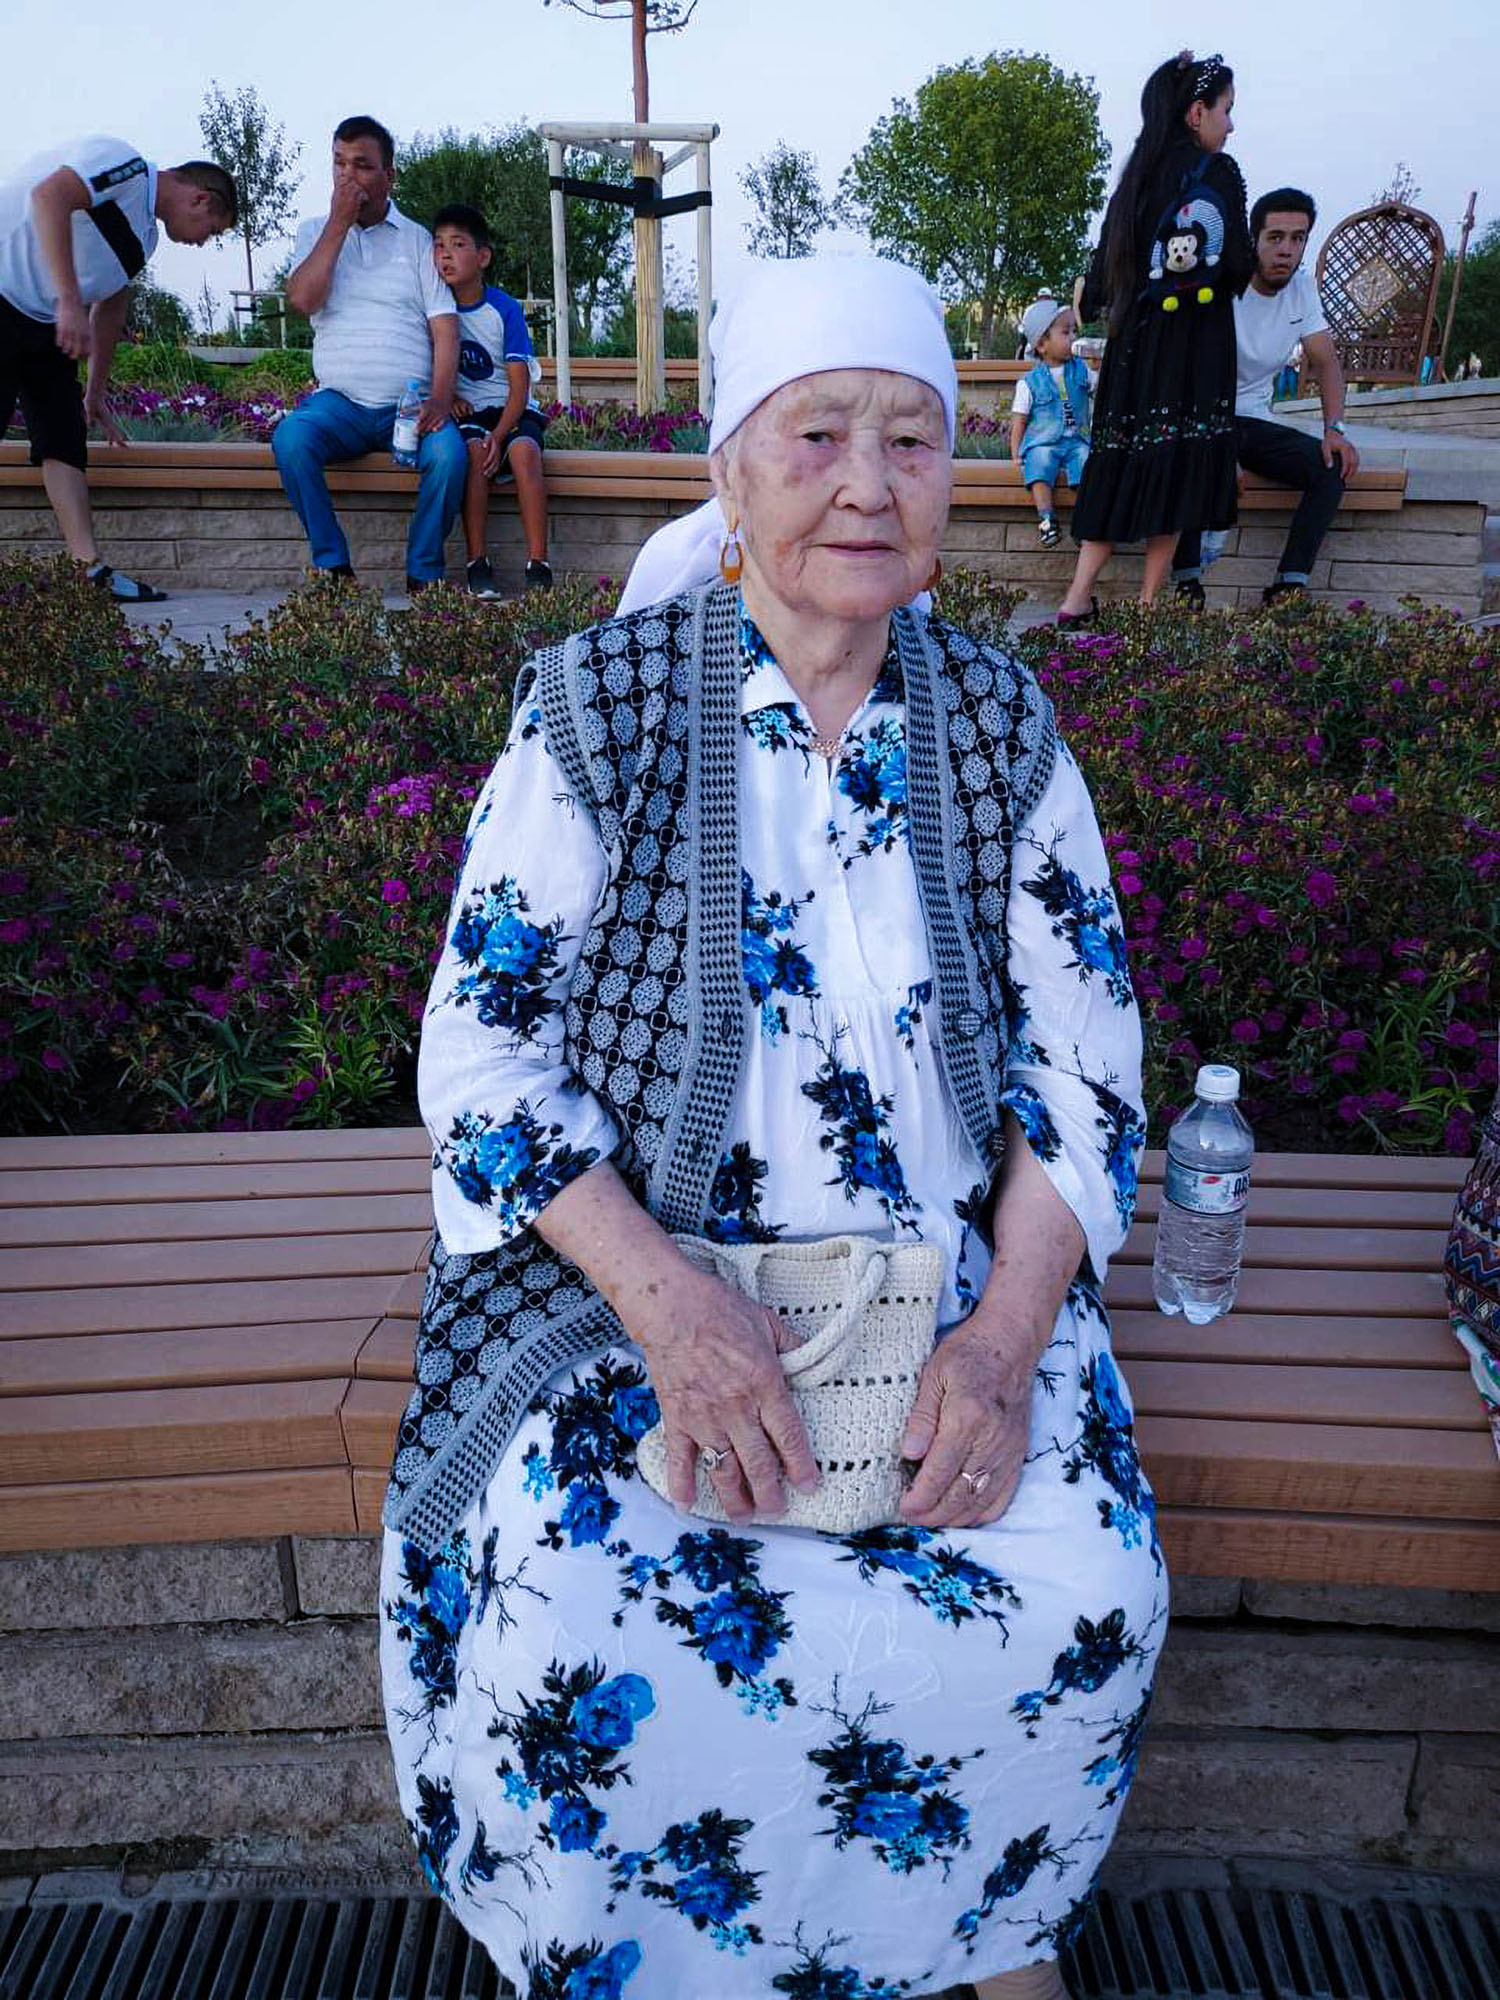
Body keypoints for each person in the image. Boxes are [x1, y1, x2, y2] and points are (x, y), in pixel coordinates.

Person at [379, 254, 1165, 2000]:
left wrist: (1005, 1340)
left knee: (1081, 1587)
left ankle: (979, 1934)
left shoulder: (1002, 723)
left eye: (911, 440)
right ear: (730, 473)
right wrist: (675, 1313)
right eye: (818, 436)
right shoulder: (598, 707)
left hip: (947, 1301)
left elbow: (1091, 1068)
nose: (867, 485)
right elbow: (481, 1054)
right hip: (637, 1293)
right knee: (582, 1617)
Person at [1056, 52, 1252, 625]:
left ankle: (1076, 599)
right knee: (1178, 464)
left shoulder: (1135, 180)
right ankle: (1145, 608)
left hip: (1133, 352)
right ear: (1196, 112)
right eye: (1226, 110)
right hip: (1194, 352)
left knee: (1118, 462)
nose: (1231, 124)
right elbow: (1236, 265)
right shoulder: (1217, 173)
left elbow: (1096, 286)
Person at [0, 138, 236, 602]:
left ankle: (87, 570)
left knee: (64, 437)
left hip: (43, 318)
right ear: (199, 199)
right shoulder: (124, 166)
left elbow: (110, 308)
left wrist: (94, 393)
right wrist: (70, 301)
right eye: (211, 230)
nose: (203, 242)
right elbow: (49, 196)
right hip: (6, 295)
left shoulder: (145, 237)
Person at [273, 116, 465, 593]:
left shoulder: (417, 240)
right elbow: (303, 300)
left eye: (361, 165)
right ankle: (334, 568)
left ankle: (423, 575)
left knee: (449, 456)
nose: (347, 176)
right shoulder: (314, 233)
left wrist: (440, 399)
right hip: (339, 403)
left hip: (409, 405)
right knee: (291, 439)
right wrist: (338, 224)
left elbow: (445, 328)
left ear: (388, 175)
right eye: (339, 163)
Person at [1171, 188, 1361, 606]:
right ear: (1254, 239)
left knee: (1331, 467)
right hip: (1200, 416)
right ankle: (1186, 585)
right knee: (1199, 462)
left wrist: (1335, 430)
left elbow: (1326, 363)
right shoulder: (1221, 285)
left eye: (1297, 238)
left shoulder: (1303, 290)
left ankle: (1288, 587)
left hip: (1253, 422)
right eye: (1275, 237)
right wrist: (1219, 446)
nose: (1286, 250)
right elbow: (1188, 371)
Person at [430, 203, 552, 599]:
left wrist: (500, 435)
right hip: (471, 414)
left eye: (457, 244)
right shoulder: (435, 309)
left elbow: (519, 388)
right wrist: (450, 397)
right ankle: (477, 564)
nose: (445, 255)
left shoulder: (504, 309)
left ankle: (539, 564)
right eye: (438, 245)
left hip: (511, 410)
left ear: (482, 257)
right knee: (474, 453)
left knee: (524, 452)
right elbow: (430, 368)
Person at [1009, 299, 1097, 549]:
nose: (1073, 337)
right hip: (1043, 441)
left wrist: (1100, 367)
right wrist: (1015, 453)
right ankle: (1047, 518)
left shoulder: (1081, 370)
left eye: (1073, 331)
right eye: (1065, 332)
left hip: (1076, 440)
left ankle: (1083, 521)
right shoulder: (1029, 382)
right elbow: (1019, 420)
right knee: (1038, 463)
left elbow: (1100, 386)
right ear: (1041, 344)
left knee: (1086, 461)